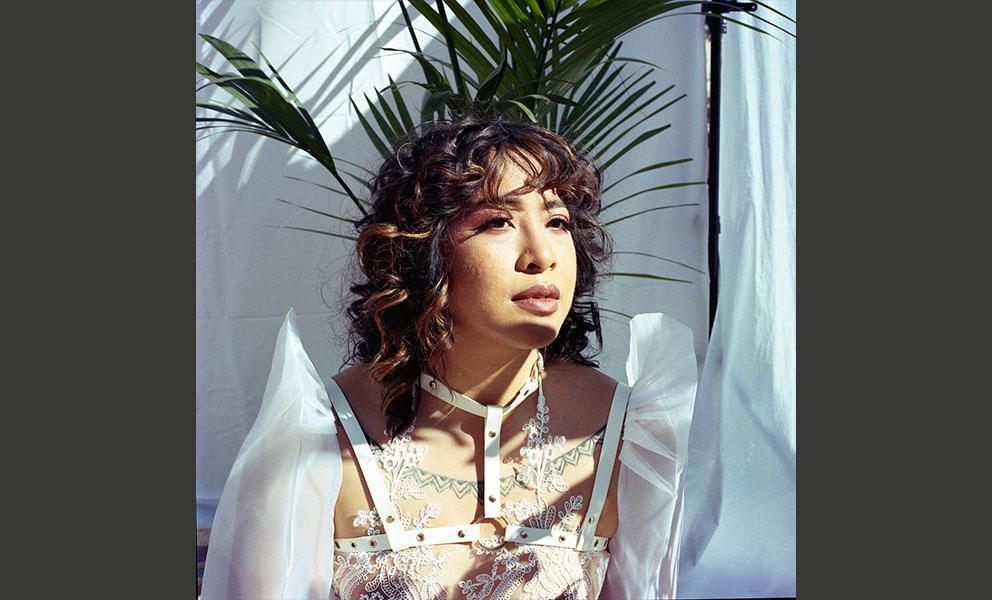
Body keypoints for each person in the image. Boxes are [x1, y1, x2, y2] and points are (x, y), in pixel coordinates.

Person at [200, 117, 698, 600]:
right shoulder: (317, 432)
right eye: (498, 221)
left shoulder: (635, 430)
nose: (541, 254)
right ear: (423, 251)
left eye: (557, 221)